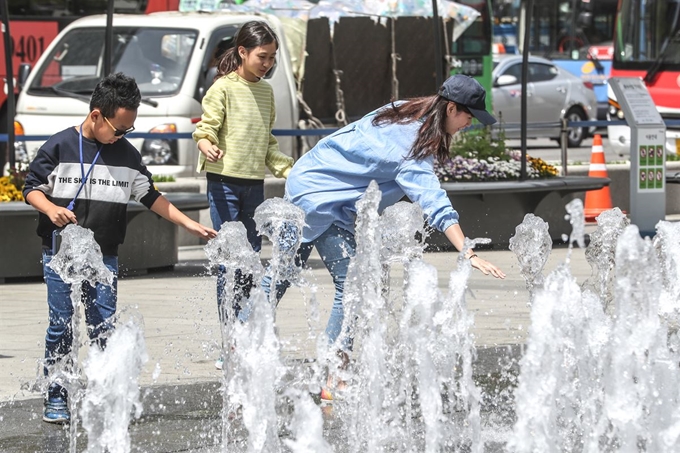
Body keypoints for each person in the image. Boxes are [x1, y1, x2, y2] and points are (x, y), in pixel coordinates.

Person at [258, 74, 507, 402]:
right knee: (353, 287)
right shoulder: (412, 146)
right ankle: (336, 376)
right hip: (322, 201)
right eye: (468, 116)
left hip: (309, 182)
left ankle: (238, 345)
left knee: (280, 275)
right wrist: (468, 251)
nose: (469, 124)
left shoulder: (404, 110)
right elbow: (434, 201)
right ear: (450, 108)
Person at [23, 72, 218, 424]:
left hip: (104, 255)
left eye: (129, 129)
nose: (123, 136)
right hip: (59, 253)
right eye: (119, 128)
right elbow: (32, 186)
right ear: (96, 115)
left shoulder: (127, 155)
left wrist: (189, 223)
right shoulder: (59, 146)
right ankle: (56, 393)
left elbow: (150, 195)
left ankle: (106, 393)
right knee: (61, 325)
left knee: (103, 325)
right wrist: (50, 208)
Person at [192, 20, 294, 370]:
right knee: (229, 264)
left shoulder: (265, 93)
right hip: (223, 184)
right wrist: (207, 144)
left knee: (251, 264)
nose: (267, 64)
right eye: (262, 57)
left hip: (253, 186)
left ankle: (246, 334)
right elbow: (205, 130)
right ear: (242, 52)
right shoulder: (222, 88)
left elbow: (268, 145)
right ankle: (230, 342)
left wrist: (292, 170)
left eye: (271, 58)